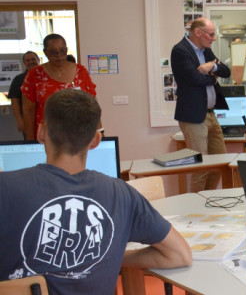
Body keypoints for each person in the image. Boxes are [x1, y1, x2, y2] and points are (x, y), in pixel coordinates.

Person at [0, 89, 191, 294]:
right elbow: (180, 255)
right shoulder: (122, 194)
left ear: (41, 132)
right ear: (95, 141)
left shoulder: (6, 188)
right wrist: (111, 257)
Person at [171, 17, 231, 192]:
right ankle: (196, 206)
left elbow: (225, 71)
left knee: (220, 162)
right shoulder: (180, 51)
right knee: (201, 167)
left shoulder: (206, 52)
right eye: (211, 34)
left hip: (211, 115)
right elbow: (195, 79)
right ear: (198, 32)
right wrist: (213, 75)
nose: (214, 38)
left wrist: (211, 66)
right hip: (193, 117)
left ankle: (208, 198)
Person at [21, 34, 97, 140]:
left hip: (78, 134)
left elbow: (92, 105)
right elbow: (28, 111)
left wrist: (99, 131)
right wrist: (29, 140)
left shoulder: (81, 71)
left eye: (62, 51)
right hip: (48, 136)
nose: (58, 55)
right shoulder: (35, 74)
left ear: (66, 50)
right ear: (45, 52)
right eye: (53, 52)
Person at [7, 51, 40, 137]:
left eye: (33, 59)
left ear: (38, 60)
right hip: (28, 120)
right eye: (28, 60)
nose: (31, 62)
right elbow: (14, 101)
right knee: (31, 145)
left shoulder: (46, 76)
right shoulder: (18, 79)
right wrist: (19, 120)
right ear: (24, 63)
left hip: (47, 119)